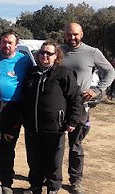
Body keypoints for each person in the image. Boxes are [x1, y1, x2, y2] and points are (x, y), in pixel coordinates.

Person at [22, 39, 82, 194]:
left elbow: (75, 98)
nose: (45, 56)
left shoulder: (64, 73)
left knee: (53, 160)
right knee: (34, 158)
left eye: (49, 53)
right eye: (42, 52)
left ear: (56, 56)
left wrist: (72, 120)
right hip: (32, 126)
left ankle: (53, 188)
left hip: (55, 126)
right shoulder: (32, 73)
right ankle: (35, 186)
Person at [61, 23, 115, 194]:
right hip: (58, 106)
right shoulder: (58, 51)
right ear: (64, 35)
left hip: (80, 107)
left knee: (75, 145)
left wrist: (97, 90)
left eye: (75, 34)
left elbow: (110, 72)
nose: (72, 38)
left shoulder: (92, 52)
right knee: (55, 145)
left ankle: (76, 181)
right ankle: (51, 177)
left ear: (82, 34)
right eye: (69, 34)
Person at [0, 29, 33, 194]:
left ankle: (6, 181)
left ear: (16, 45)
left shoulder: (24, 61)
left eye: (10, 42)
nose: (6, 45)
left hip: (14, 108)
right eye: (4, 41)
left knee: (8, 146)